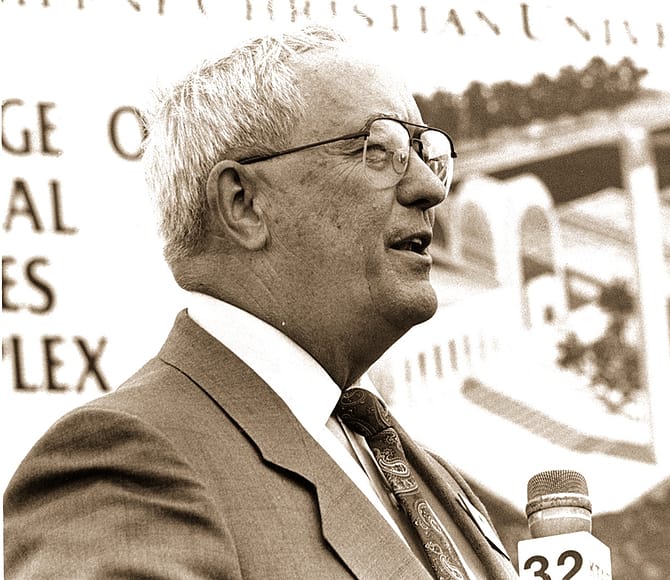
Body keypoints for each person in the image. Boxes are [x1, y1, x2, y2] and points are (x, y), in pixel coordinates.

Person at [3, 23, 517, 580]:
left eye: (425, 152)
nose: (431, 189)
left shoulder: (425, 474)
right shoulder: (126, 464)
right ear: (244, 203)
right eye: (378, 150)